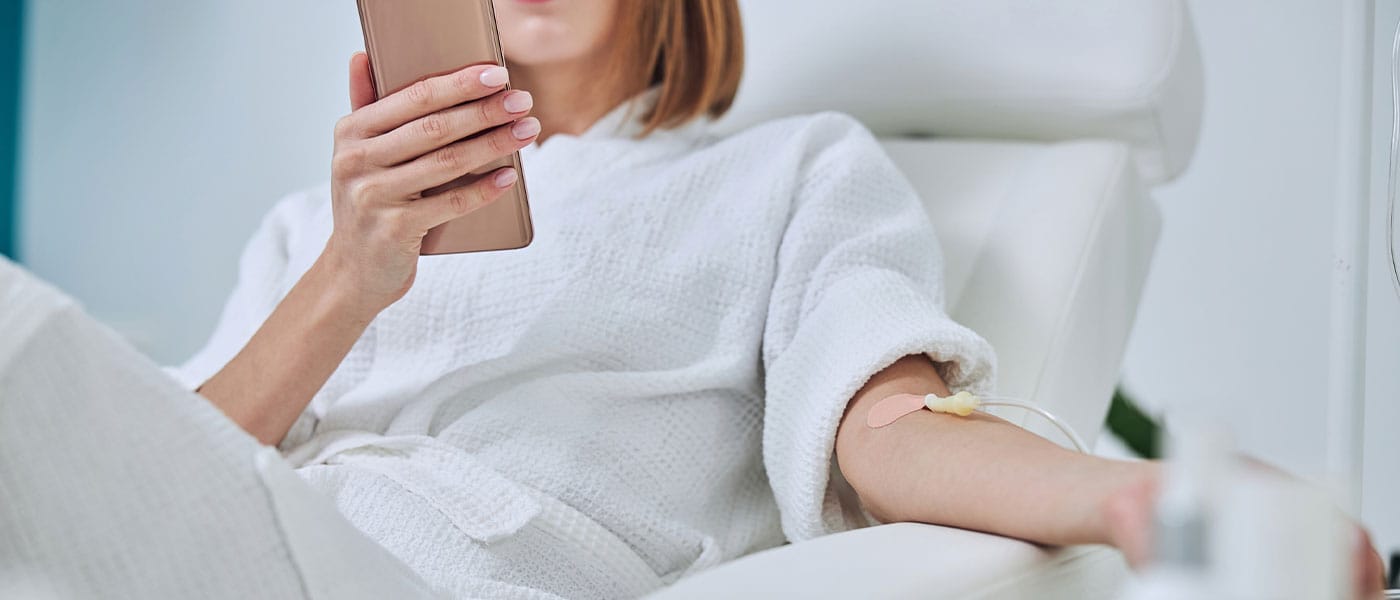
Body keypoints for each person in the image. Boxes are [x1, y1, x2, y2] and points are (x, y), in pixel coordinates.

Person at [0, 0, 1385, 598]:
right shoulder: (329, 218)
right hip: (235, 550)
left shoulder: (788, 174)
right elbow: (144, 472)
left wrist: (1147, 502)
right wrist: (348, 281)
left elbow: (889, 432)